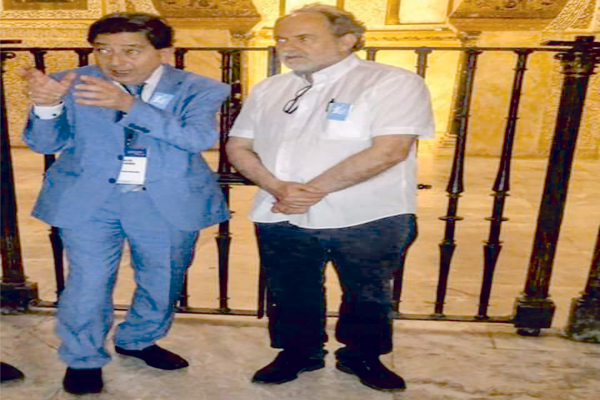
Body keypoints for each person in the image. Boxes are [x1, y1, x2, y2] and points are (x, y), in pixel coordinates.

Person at [226, 4, 434, 392]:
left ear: (346, 40)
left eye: (303, 38)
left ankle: (362, 356)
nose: (288, 47)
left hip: (368, 213)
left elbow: (390, 150)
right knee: (290, 288)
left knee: (368, 292)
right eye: (281, 40)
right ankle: (298, 352)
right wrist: (278, 187)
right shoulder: (270, 89)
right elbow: (238, 146)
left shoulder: (391, 82)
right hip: (280, 210)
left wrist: (308, 192)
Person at [22, 12, 229, 395]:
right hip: (89, 199)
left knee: (163, 277)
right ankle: (82, 358)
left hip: (165, 198)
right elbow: (45, 143)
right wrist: (47, 106)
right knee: (88, 281)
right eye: (103, 50)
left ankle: (139, 338)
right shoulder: (71, 82)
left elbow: (198, 138)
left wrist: (130, 106)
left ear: (164, 53)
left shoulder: (198, 88)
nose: (115, 61)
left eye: (131, 51)